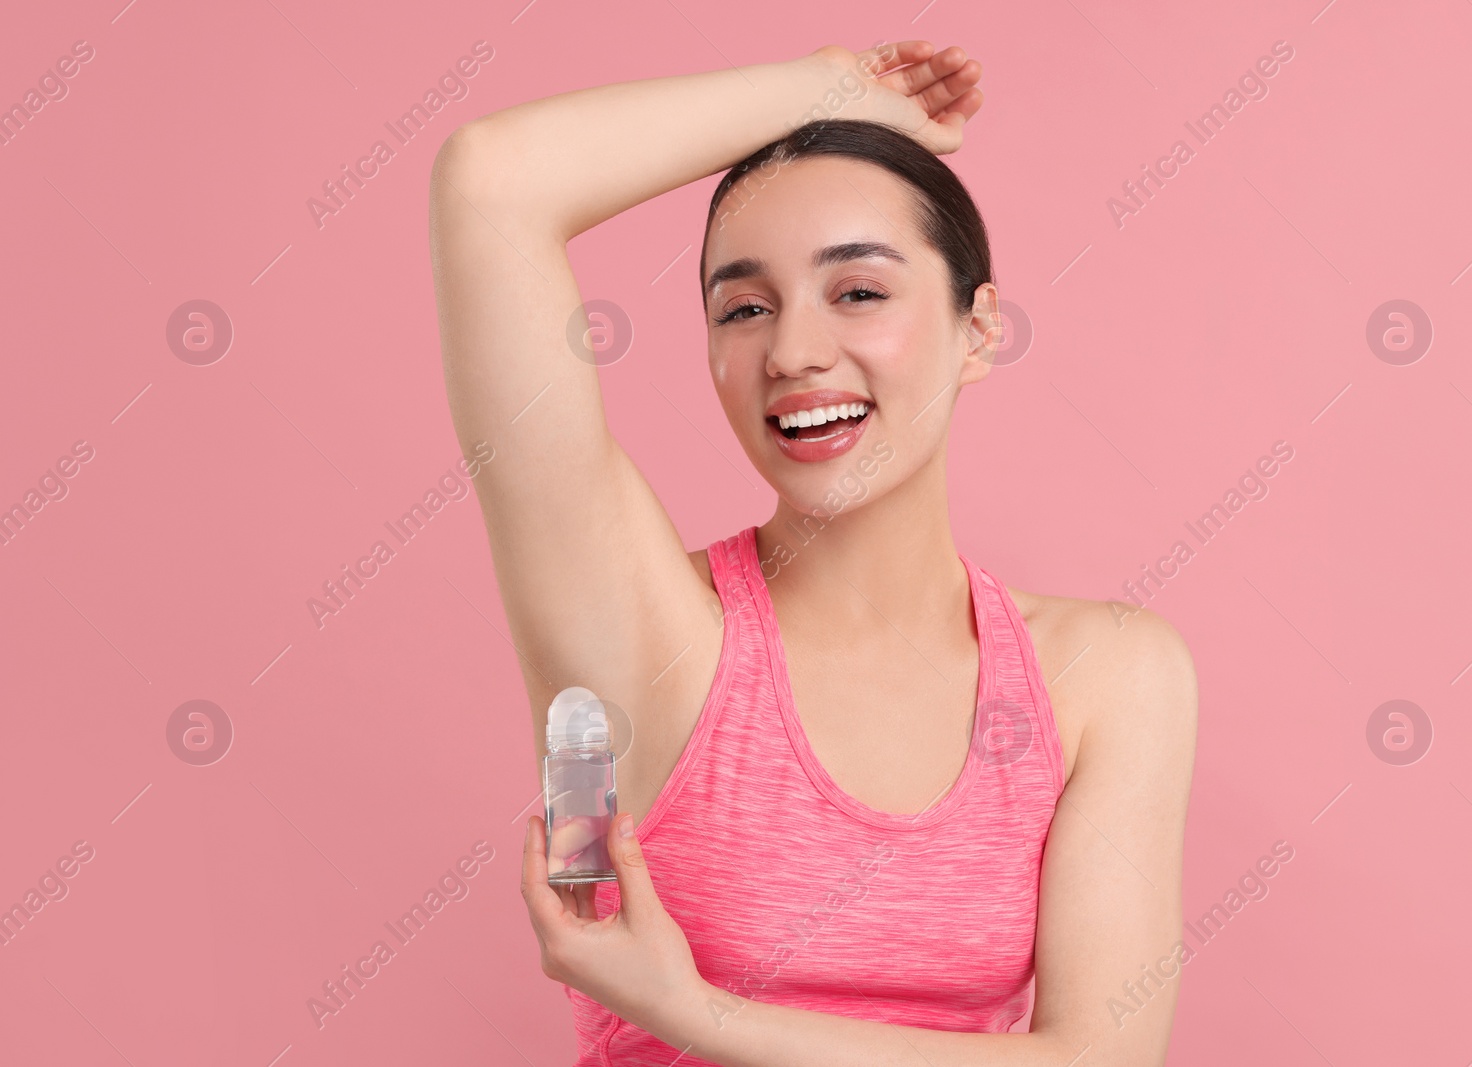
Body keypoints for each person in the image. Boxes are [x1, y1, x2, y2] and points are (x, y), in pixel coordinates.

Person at [428, 38, 1197, 1067]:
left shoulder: (1108, 675)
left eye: (859, 292)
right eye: (744, 307)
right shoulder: (649, 634)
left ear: (979, 330)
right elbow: (491, 183)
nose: (792, 351)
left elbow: (1103, 1058)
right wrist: (831, 91)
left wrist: (690, 1009)